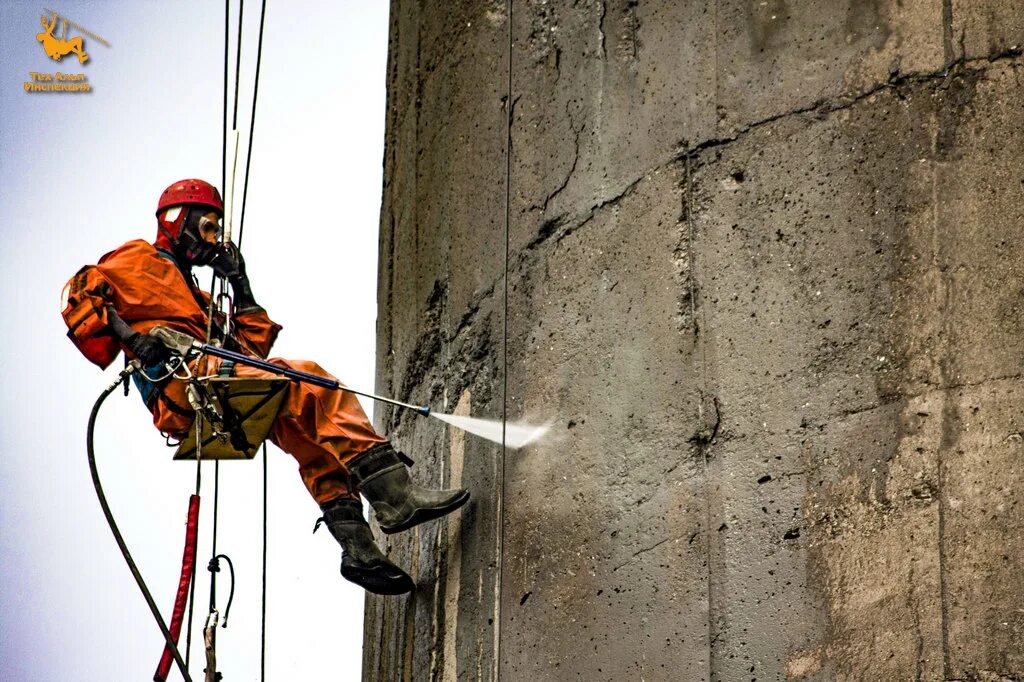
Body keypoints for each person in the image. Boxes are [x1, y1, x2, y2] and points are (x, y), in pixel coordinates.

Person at [61, 178, 468, 595]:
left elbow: (248, 357)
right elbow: (77, 293)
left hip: (213, 385)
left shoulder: (200, 300)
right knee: (311, 383)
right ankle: (396, 497)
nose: (213, 239)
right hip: (183, 381)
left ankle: (359, 551)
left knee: (318, 443)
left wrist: (240, 283)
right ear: (177, 220)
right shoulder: (138, 259)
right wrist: (131, 339)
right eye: (207, 227)